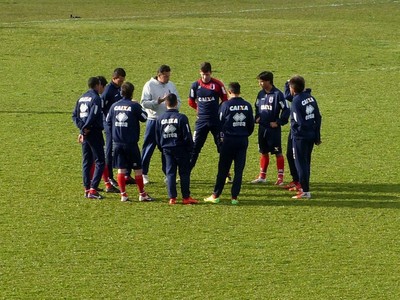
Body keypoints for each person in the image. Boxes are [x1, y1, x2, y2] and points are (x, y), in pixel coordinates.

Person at [204, 82, 254, 205]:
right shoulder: (247, 105)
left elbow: (219, 123)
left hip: (228, 140)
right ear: (239, 91)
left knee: (223, 169)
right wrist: (244, 134)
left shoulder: (225, 105)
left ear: (229, 92)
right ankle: (234, 197)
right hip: (242, 140)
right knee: (239, 170)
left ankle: (216, 195)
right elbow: (251, 125)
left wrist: (221, 137)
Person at [106, 82, 154, 202]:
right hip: (130, 143)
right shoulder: (134, 106)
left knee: (121, 169)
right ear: (132, 92)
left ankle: (123, 195)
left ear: (121, 92)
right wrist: (137, 105)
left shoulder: (114, 106)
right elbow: (144, 117)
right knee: (138, 169)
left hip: (117, 143)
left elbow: (108, 121)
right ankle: (142, 194)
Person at [141, 65, 181, 185]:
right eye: (166, 76)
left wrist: (174, 107)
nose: (168, 78)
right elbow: (143, 103)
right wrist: (157, 102)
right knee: (148, 147)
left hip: (167, 121)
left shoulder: (171, 85)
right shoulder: (149, 85)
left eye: (169, 76)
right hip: (153, 120)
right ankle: (143, 173)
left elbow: (178, 100)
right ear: (159, 75)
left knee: (166, 149)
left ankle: (168, 174)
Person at [155, 93, 198, 205]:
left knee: (170, 173)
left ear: (165, 103)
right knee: (184, 173)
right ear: (177, 103)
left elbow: (157, 136)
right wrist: (190, 149)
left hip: (167, 149)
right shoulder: (182, 118)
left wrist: (162, 148)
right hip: (181, 149)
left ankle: (172, 198)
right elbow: (187, 135)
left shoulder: (160, 118)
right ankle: (186, 197)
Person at [188, 62, 229, 176]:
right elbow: (191, 101)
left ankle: (226, 173)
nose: (205, 77)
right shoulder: (195, 86)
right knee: (194, 147)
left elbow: (225, 100)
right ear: (200, 73)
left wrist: (220, 110)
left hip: (216, 121)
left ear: (210, 73)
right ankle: (186, 173)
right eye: (202, 75)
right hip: (201, 121)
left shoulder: (217, 84)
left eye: (207, 74)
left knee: (222, 147)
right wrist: (198, 110)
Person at [251, 71, 290, 185]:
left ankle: (280, 178)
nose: (260, 83)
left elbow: (286, 109)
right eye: (259, 81)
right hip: (262, 128)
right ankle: (262, 176)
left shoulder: (278, 94)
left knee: (278, 152)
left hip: (273, 130)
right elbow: (257, 107)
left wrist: (278, 122)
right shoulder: (260, 94)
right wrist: (257, 117)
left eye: (262, 81)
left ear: (269, 81)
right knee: (263, 152)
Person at [288, 75, 322, 199]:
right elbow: (318, 117)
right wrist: (317, 135)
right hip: (311, 135)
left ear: (292, 88)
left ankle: (305, 191)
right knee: (306, 162)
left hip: (300, 138)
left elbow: (299, 121)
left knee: (300, 164)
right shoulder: (310, 98)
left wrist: (296, 134)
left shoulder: (296, 102)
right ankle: (304, 188)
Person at [101, 68, 136, 187]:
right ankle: (110, 177)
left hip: (120, 124)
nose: (122, 83)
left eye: (123, 81)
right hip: (110, 124)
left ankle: (126, 174)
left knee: (125, 147)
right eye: (120, 81)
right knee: (110, 149)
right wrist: (106, 123)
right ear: (113, 78)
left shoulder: (120, 89)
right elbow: (102, 108)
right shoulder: (108, 91)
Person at [72, 77, 105, 199]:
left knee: (87, 161)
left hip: (85, 133)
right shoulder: (96, 98)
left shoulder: (81, 98)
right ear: (98, 85)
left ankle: (86, 188)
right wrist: (86, 129)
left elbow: (74, 115)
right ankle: (93, 190)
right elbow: (93, 114)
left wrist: (82, 129)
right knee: (100, 161)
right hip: (93, 133)